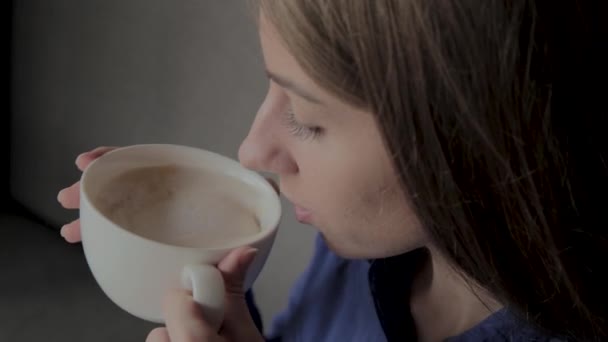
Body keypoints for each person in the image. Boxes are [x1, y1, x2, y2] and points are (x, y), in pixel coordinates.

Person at [57, 0, 608, 341]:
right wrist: (185, 263)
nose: (252, 150)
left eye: (306, 118)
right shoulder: (352, 259)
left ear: (465, 145)